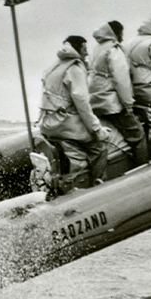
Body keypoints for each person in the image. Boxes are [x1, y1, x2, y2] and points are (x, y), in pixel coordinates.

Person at [38, 35, 110, 188]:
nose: (87, 53)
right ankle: (97, 186)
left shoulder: (56, 65)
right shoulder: (75, 68)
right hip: (64, 125)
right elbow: (82, 104)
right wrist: (98, 130)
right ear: (77, 49)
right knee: (99, 147)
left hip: (50, 123)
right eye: (84, 49)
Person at [89, 20, 149, 166]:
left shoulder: (97, 49)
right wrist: (128, 104)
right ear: (115, 33)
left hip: (96, 102)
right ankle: (143, 168)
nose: (122, 37)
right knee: (138, 135)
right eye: (121, 33)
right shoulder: (114, 49)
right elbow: (121, 80)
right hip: (111, 103)